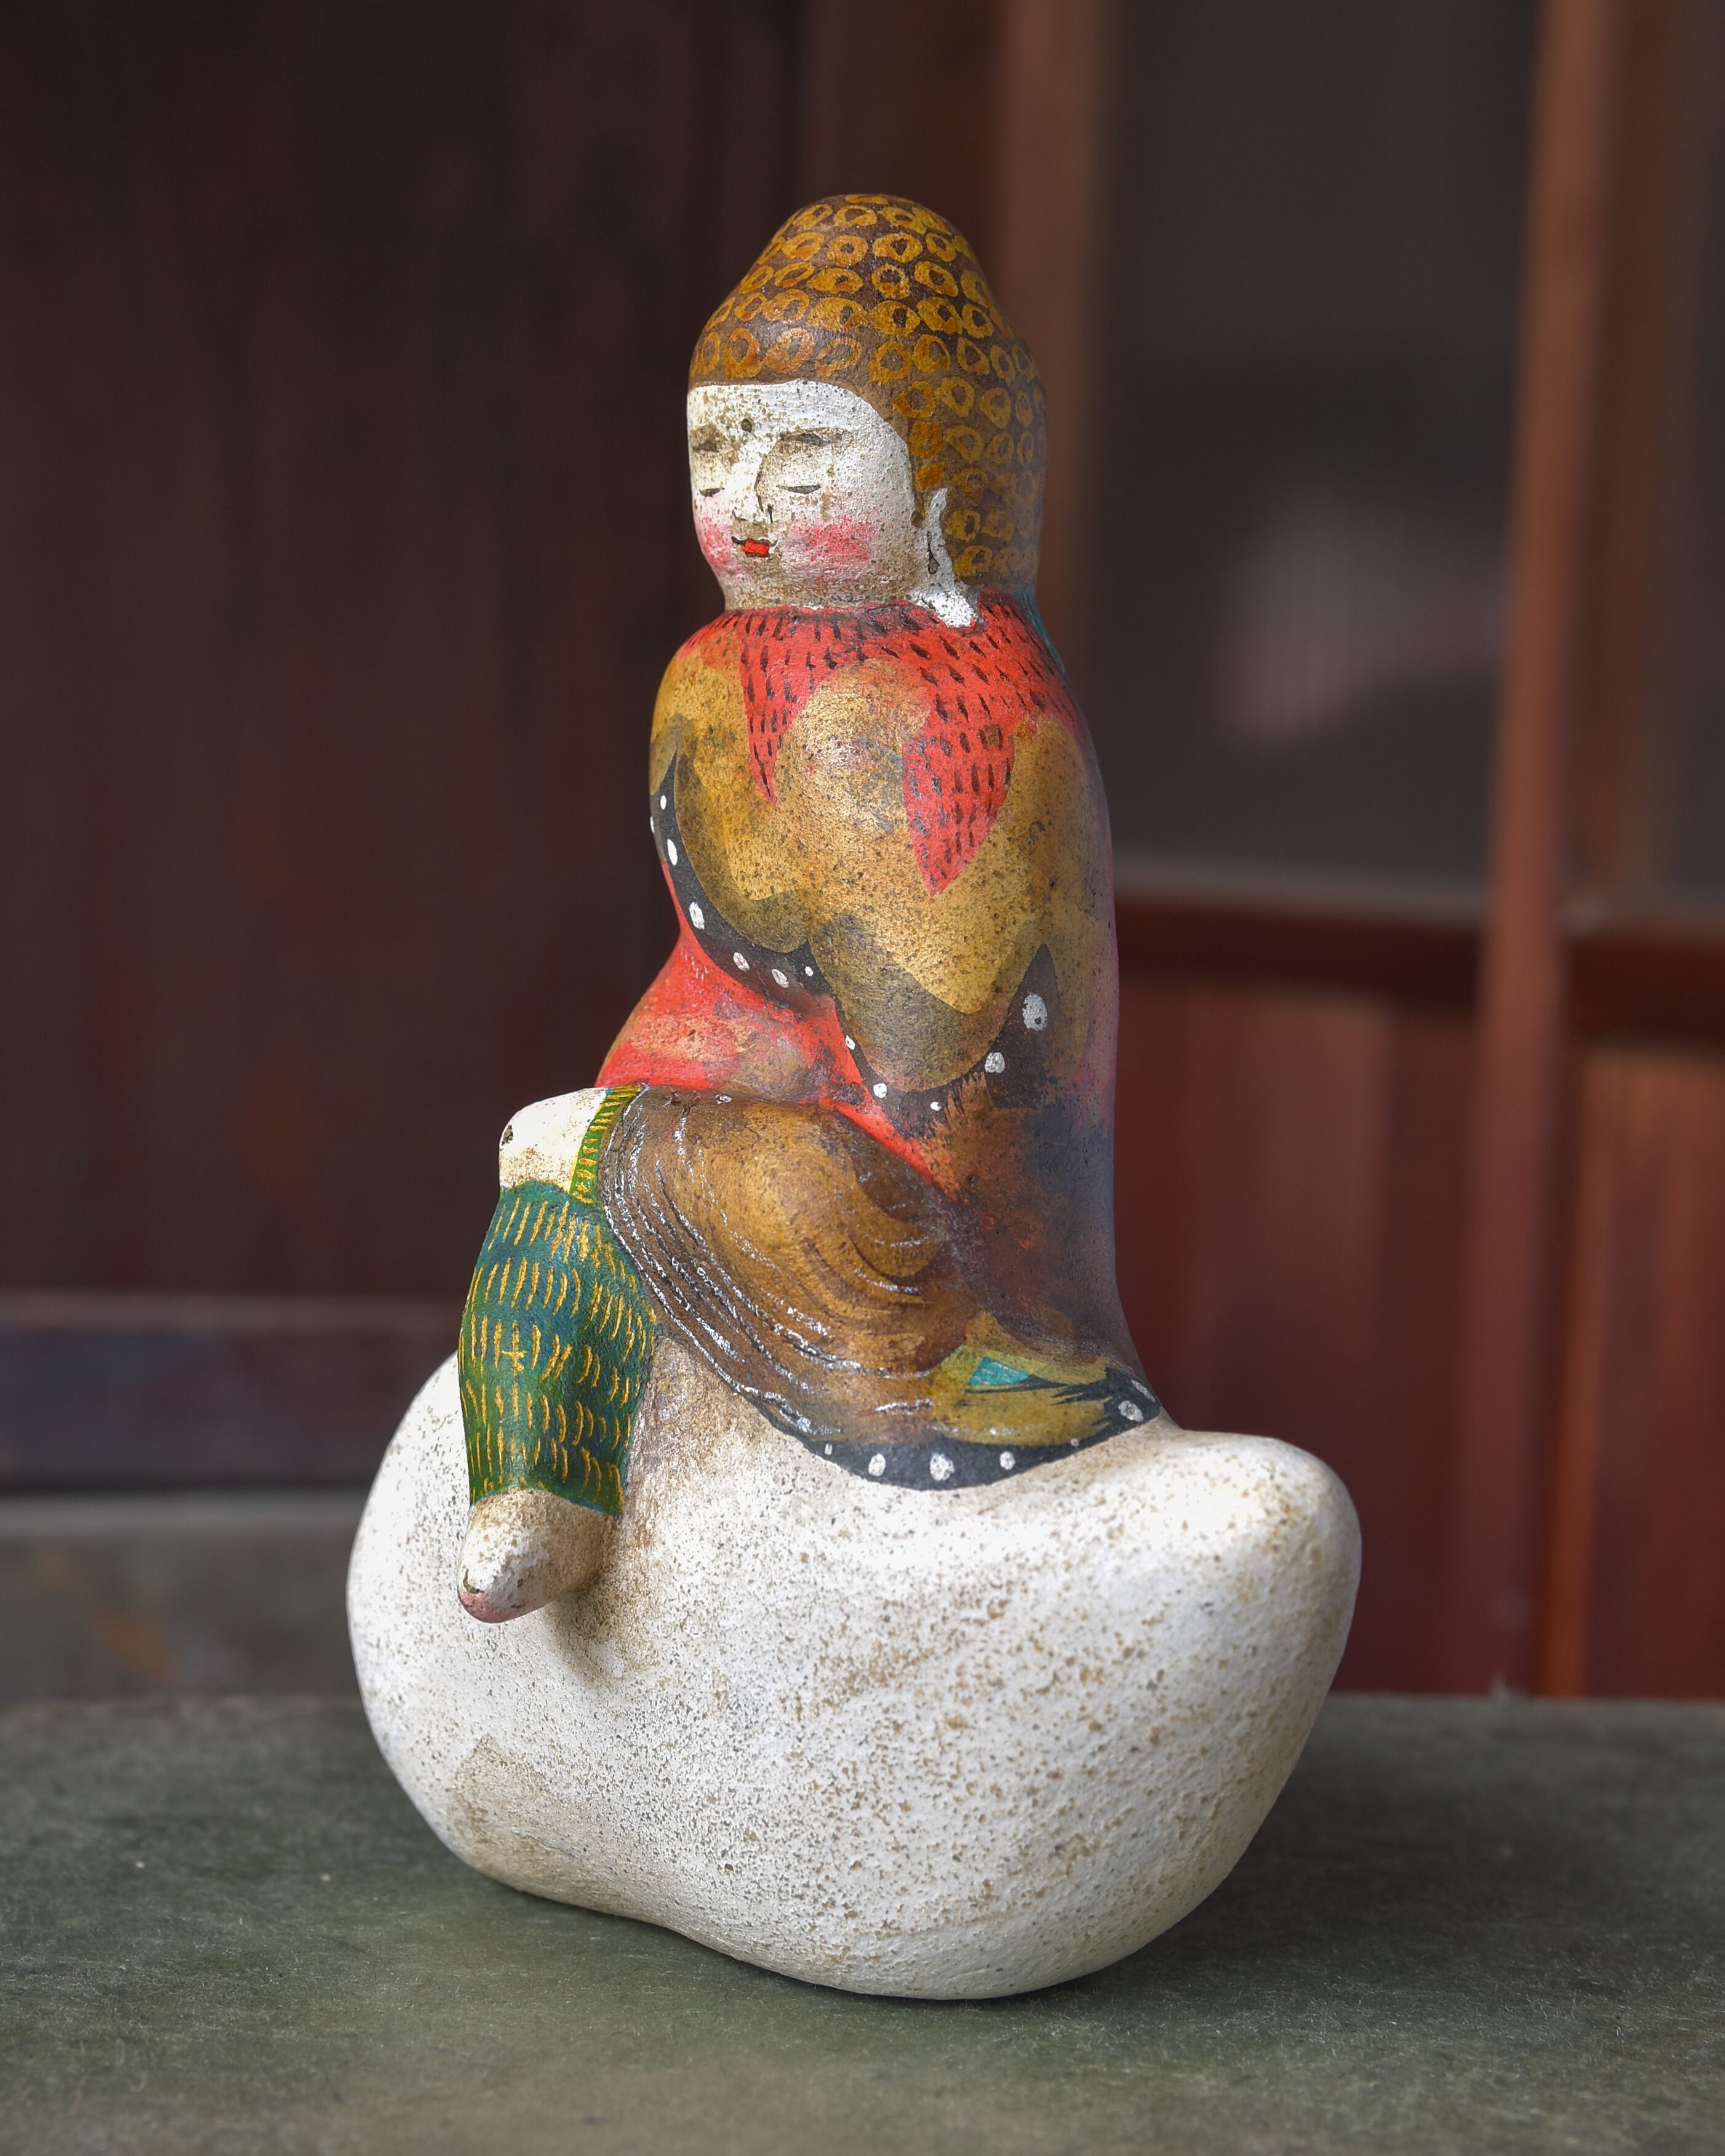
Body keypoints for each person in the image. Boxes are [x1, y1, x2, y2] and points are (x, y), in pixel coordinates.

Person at [457, 195, 1155, 1619]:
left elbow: (934, 1071)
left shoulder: (981, 710)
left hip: (932, 1214)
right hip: (773, 1131)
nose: (750, 501)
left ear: (941, 486)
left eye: (806, 453)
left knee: (584, 1158)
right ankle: (542, 1496)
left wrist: (630, 1149)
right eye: (717, 452)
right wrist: (624, 1120)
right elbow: (707, 983)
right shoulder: (709, 677)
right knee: (542, 1214)